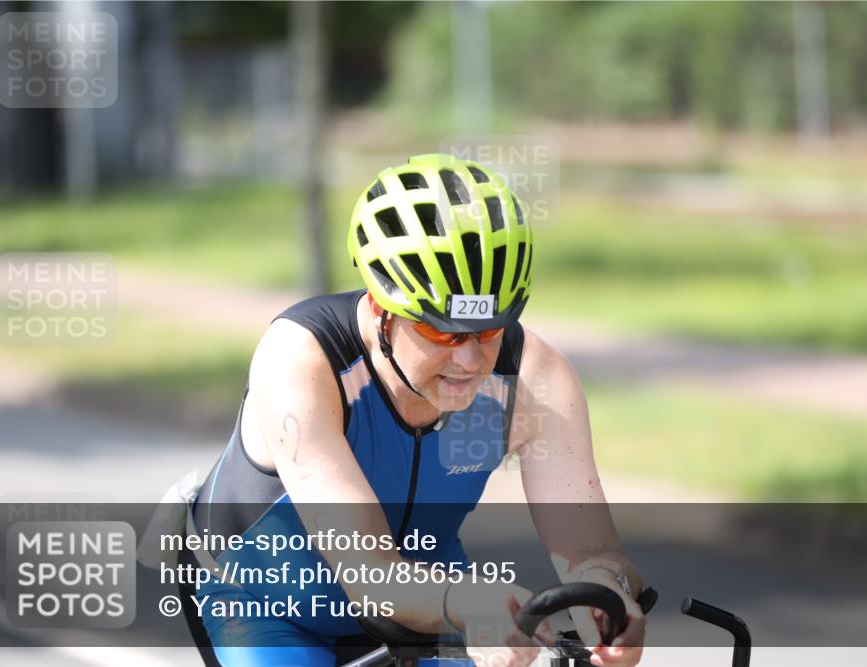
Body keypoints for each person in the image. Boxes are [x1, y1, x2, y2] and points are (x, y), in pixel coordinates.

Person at [180, 154, 646, 667]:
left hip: (428, 592)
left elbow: (589, 552)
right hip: (268, 607)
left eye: (490, 330)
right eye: (441, 331)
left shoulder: (534, 378)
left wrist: (605, 593)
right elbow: (369, 573)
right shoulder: (301, 360)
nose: (469, 359)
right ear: (382, 308)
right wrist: (465, 603)